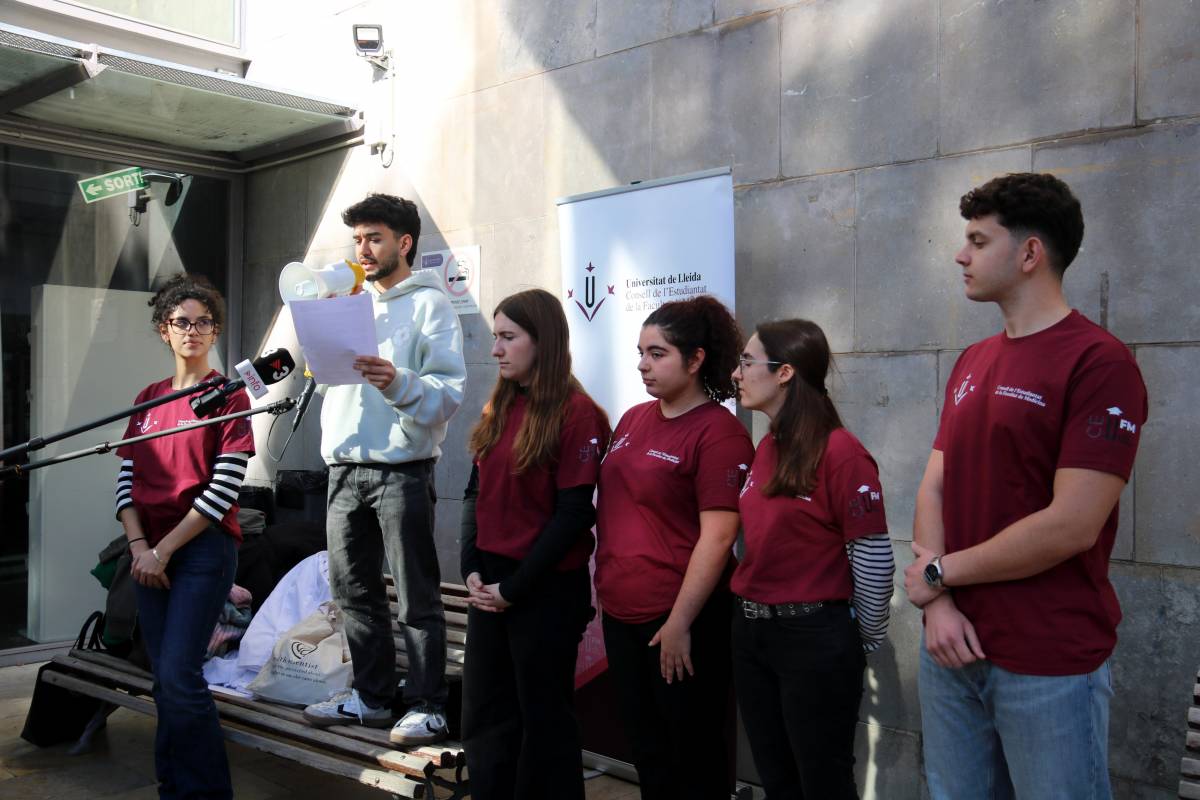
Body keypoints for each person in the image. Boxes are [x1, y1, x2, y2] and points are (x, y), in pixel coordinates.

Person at [902, 173, 1147, 799]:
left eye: (979, 241)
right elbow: (934, 488)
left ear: (1030, 253)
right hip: (951, 645)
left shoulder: (1099, 362)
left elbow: (1071, 525)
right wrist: (940, 604)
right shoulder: (973, 360)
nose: (961, 255)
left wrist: (938, 577)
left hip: (1047, 660)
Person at [302, 194, 466, 746]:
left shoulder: (431, 306)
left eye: (374, 238)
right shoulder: (350, 301)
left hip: (402, 469)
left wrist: (395, 381)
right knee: (354, 591)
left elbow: (448, 396)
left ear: (405, 242)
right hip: (344, 467)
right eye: (357, 239)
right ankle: (371, 699)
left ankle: (428, 704)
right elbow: (330, 385)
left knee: (416, 596)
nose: (363, 250)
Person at [595, 295, 755, 800]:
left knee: (694, 756)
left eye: (657, 353)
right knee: (648, 753)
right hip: (622, 616)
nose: (643, 364)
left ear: (695, 359)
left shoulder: (720, 433)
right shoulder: (633, 419)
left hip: (682, 619)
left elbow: (720, 535)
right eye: (641, 352)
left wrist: (680, 623)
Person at [730, 319, 894, 799]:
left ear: (784, 373)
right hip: (752, 633)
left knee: (822, 783)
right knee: (777, 781)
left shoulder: (841, 452)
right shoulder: (767, 446)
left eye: (746, 362)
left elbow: (874, 558)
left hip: (813, 640)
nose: (736, 374)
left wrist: (859, 636)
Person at [459, 288, 610, 800]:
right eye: (495, 337)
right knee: (485, 715)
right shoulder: (499, 405)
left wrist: (514, 589)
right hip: (491, 585)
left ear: (541, 342)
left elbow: (573, 515)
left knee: (542, 723)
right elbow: (474, 492)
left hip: (543, 589)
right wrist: (471, 568)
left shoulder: (577, 413)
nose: (496, 349)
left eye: (508, 337)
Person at [115, 273, 253, 799]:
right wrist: (139, 548)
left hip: (200, 551)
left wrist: (163, 550)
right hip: (147, 552)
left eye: (203, 322)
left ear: (215, 332)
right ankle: (173, 785)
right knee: (164, 678)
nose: (191, 331)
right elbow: (125, 483)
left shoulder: (229, 396)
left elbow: (223, 490)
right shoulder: (146, 400)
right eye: (180, 322)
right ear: (163, 331)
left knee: (179, 674)